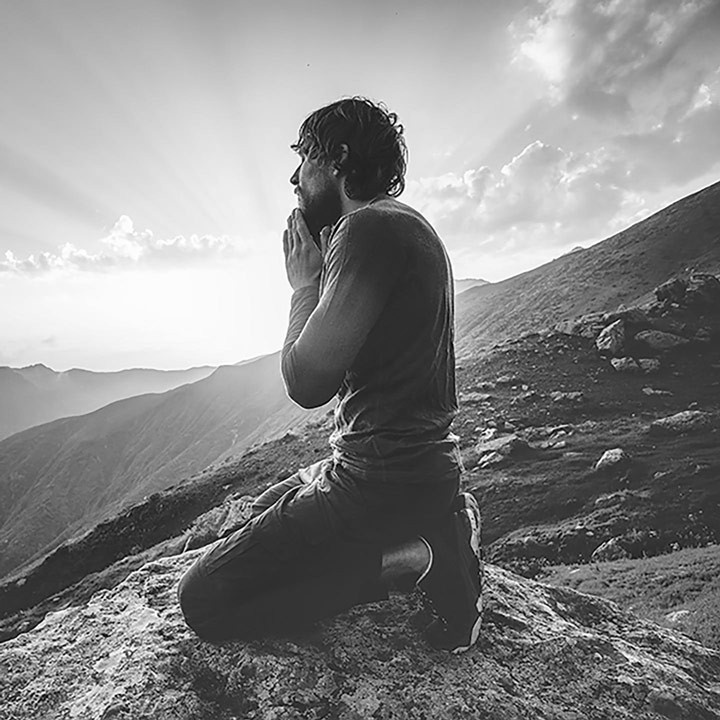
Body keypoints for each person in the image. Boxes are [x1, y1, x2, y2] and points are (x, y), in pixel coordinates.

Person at [178, 97, 483, 653]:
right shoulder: (407, 226)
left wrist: (302, 286)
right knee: (267, 503)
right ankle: (437, 525)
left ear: (339, 159)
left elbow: (306, 382)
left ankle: (412, 558)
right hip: (422, 472)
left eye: (306, 158)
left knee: (204, 596)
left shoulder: (364, 230)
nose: (294, 177)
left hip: (377, 483)